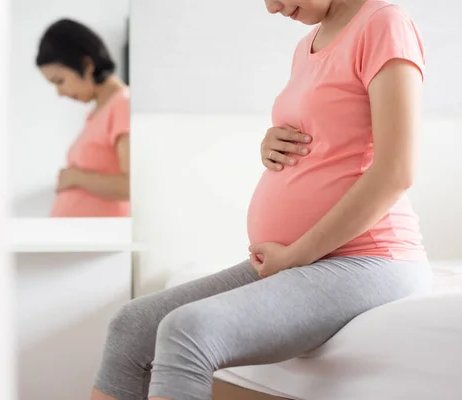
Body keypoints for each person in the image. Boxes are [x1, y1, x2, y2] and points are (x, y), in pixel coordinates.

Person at [91, 0, 431, 399]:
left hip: (368, 258)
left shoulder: (384, 23)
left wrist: (299, 254)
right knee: (132, 325)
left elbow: (396, 171)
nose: (272, 8)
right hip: (303, 259)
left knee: (188, 330)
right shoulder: (308, 44)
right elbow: (331, 135)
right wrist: (272, 144)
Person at [36, 19, 130, 218]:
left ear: (87, 65)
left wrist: (77, 178)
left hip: (101, 240)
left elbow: (133, 186)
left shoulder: (122, 104)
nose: (60, 93)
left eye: (59, 81)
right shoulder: (97, 113)